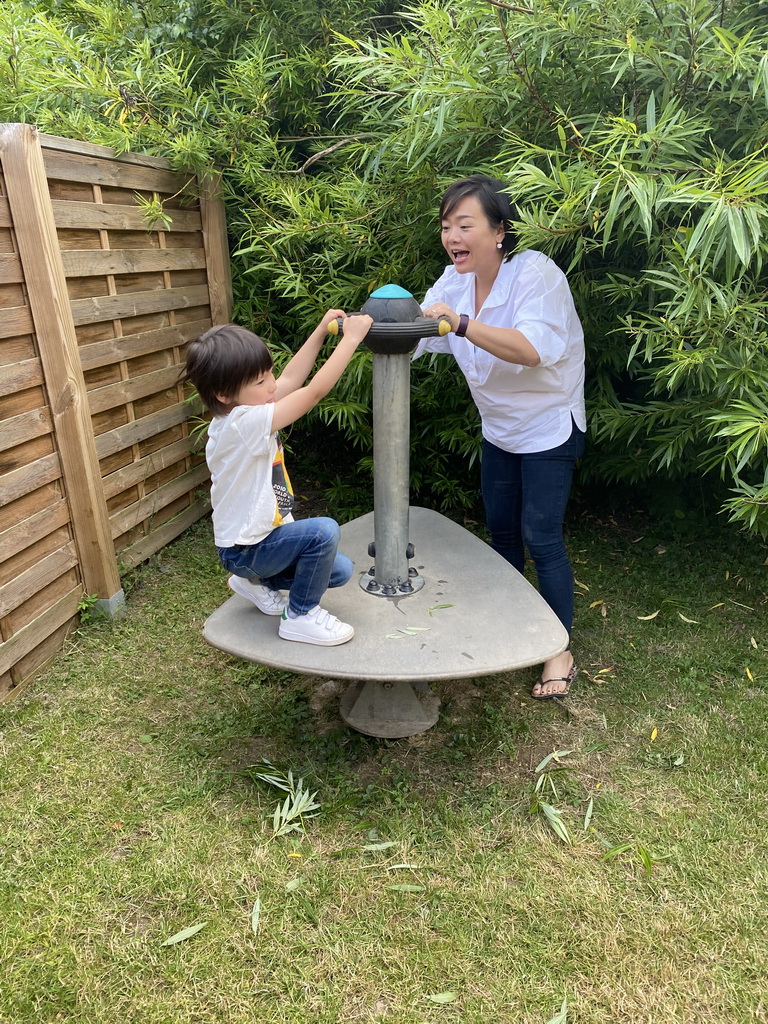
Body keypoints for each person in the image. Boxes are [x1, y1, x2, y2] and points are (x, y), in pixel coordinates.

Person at [417, 174, 586, 699]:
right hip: (499, 429)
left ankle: (557, 648)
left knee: (541, 538)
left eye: (464, 225)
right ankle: (509, 628)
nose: (452, 237)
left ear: (500, 231)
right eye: (446, 227)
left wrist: (461, 324)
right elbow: (419, 331)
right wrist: (374, 324)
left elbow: (532, 348)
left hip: (548, 427)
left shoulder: (535, 274)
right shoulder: (452, 282)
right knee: (502, 535)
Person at [184, 310, 373, 647]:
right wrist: (352, 339)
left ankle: (258, 584)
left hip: (256, 542)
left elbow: (290, 381)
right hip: (246, 549)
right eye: (260, 381)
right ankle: (300, 616)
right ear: (224, 395)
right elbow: (313, 392)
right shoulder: (243, 423)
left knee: (338, 570)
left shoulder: (242, 412)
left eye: (268, 372)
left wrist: (319, 332)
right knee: (323, 531)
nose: (272, 384)